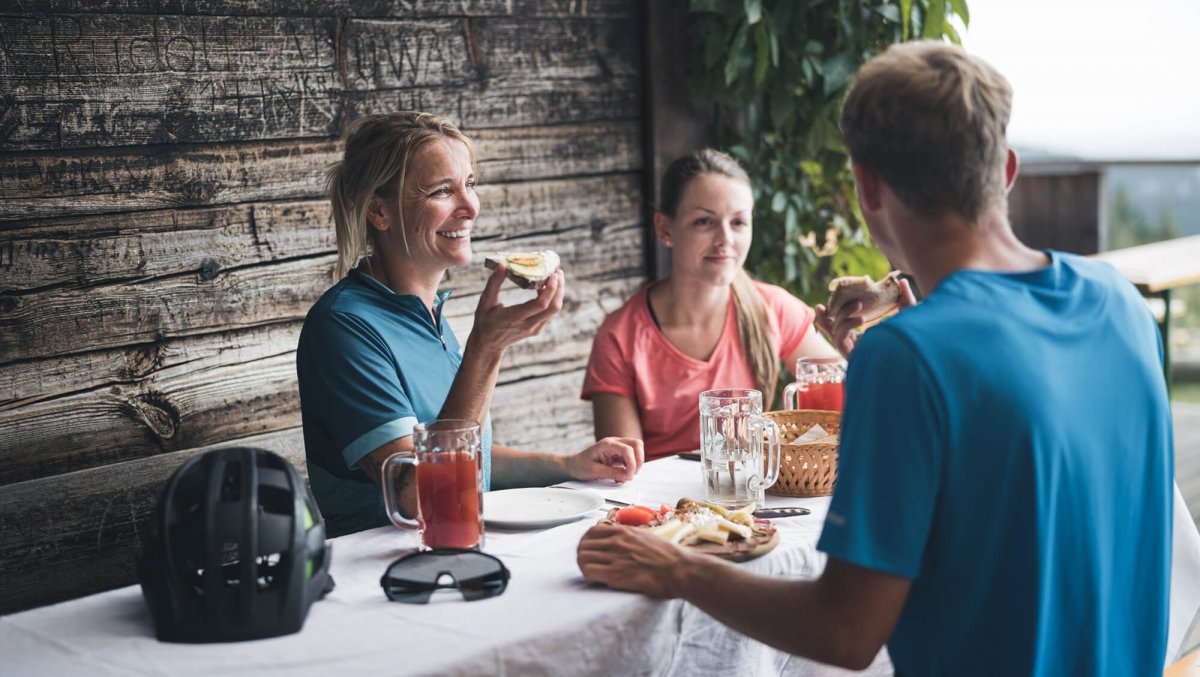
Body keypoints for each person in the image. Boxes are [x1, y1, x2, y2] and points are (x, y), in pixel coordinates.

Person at [578, 41, 1173, 675]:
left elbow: (845, 631)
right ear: (1005, 170)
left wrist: (677, 569)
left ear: (866, 187)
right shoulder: (1119, 302)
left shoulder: (909, 356)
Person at [297, 112, 645, 538]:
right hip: (380, 564)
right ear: (379, 211)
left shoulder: (427, 315)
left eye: (470, 184)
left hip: (454, 547)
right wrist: (486, 349)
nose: (470, 207)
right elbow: (421, 495)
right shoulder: (345, 327)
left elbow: (469, 451)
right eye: (443, 190)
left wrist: (569, 464)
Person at [581, 149, 841, 460]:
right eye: (704, 222)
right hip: (659, 491)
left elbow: (850, 397)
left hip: (749, 488)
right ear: (665, 229)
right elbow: (621, 468)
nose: (725, 238)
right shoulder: (620, 336)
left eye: (739, 222)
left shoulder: (773, 308)